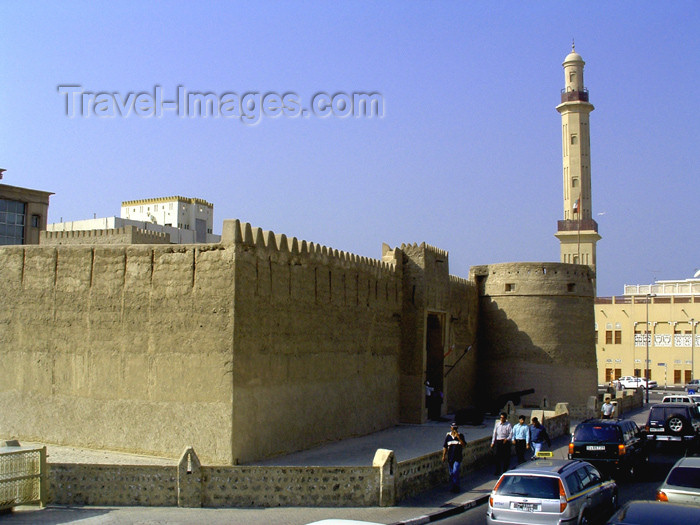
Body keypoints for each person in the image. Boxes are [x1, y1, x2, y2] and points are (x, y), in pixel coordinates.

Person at [442, 422, 466, 493]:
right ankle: (453, 486)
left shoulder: (461, 435)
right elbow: (445, 447)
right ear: (451, 428)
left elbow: (464, 445)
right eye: (453, 428)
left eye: (455, 428)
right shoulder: (448, 436)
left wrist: (458, 438)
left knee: (455, 471)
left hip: (457, 458)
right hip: (450, 457)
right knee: (452, 473)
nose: (454, 429)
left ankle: (456, 487)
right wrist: (443, 455)